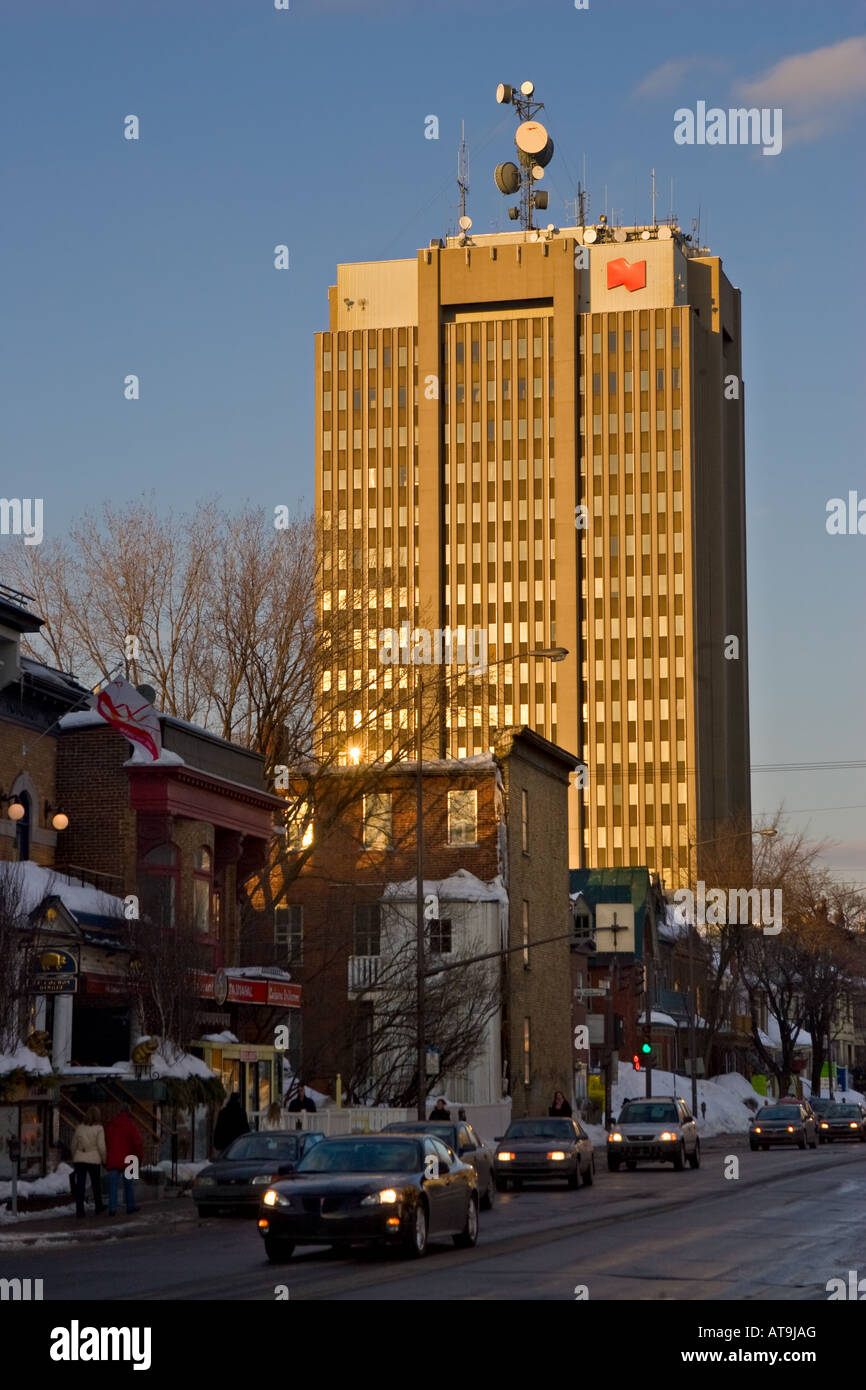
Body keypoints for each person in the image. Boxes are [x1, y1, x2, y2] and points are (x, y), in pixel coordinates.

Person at [104, 1105, 143, 1216]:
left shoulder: (111, 1125)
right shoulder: (131, 1125)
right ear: (129, 1113)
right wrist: (139, 1157)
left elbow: (106, 1141)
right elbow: (137, 1143)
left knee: (113, 1186)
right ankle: (130, 1206)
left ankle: (112, 1208)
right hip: (128, 1159)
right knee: (129, 1185)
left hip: (113, 1158)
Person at [71, 1105, 106, 1218]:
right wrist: (104, 1158)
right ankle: (98, 1206)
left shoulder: (79, 1128)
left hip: (80, 1158)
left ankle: (80, 1210)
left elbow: (73, 1145)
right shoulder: (99, 1129)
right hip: (94, 1158)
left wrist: (74, 1156)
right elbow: (101, 1146)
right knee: (96, 1184)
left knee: (80, 1185)